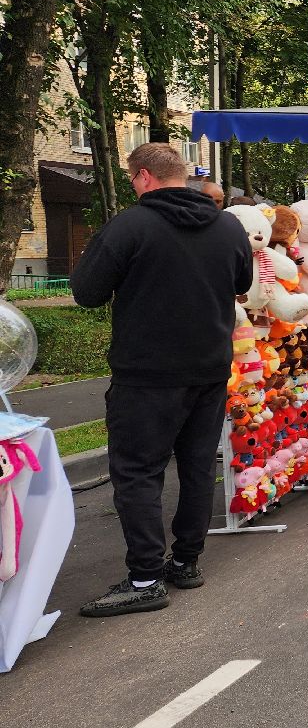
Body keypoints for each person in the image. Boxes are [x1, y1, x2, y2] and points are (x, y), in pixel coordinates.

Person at [70, 143, 251, 617]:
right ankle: (186, 561)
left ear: (145, 176)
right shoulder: (228, 225)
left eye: (133, 179)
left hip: (147, 373)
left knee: (137, 472)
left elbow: (87, 292)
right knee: (195, 464)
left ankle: (146, 577)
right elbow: (243, 281)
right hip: (210, 368)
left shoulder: (130, 226)